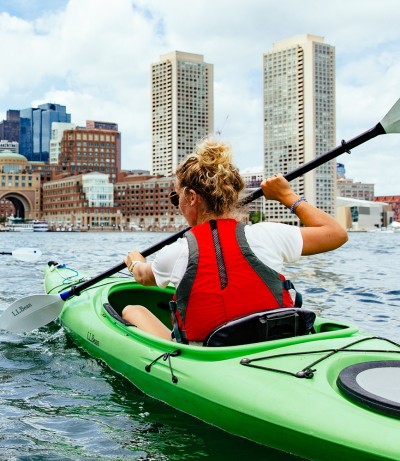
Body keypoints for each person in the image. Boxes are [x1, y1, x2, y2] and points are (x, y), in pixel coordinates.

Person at [123, 137, 348, 344]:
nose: (178, 204)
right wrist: (286, 196)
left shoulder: (175, 253)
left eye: (177, 197)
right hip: (274, 343)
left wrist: (135, 261)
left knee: (132, 310)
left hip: (209, 355)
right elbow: (336, 233)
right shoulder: (268, 235)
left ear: (192, 197)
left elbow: (143, 277)